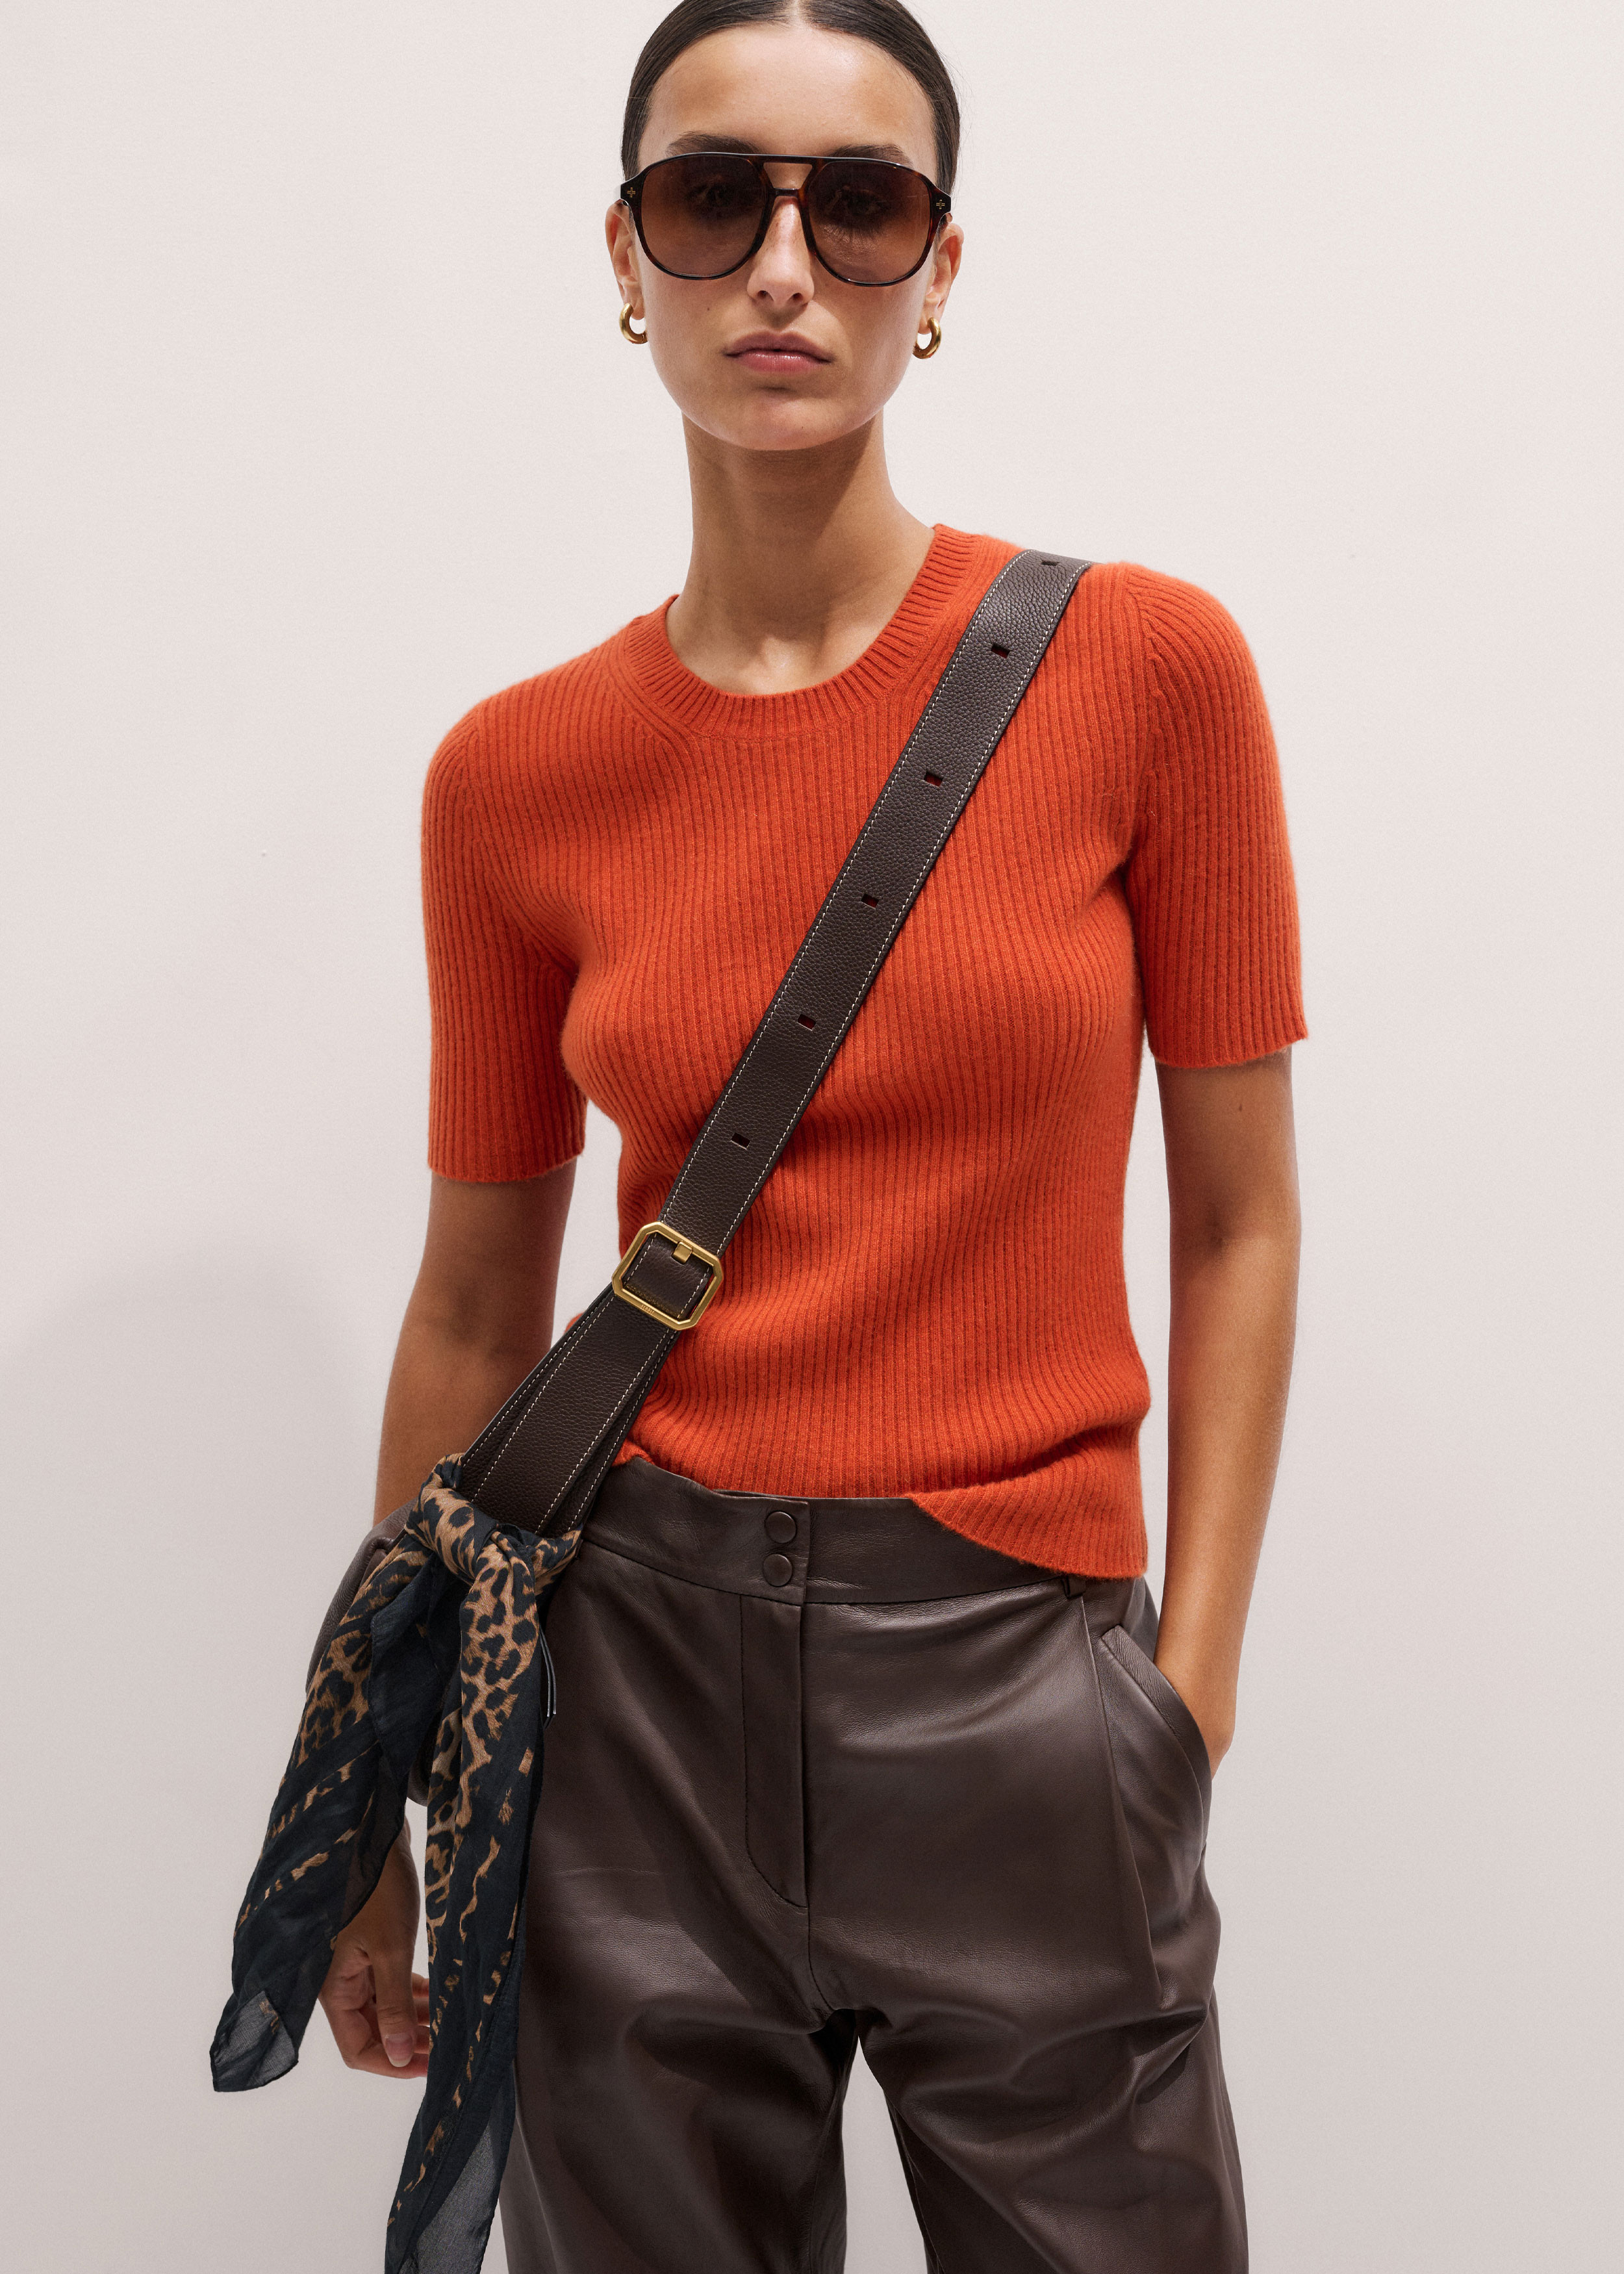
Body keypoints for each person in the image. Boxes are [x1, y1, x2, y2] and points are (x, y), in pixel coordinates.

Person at [315, 3, 1306, 2267]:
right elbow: (474, 1307)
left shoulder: (1146, 672)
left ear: (936, 269)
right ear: (627, 255)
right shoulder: (511, 775)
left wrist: (1187, 1690)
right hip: (624, 1695)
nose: (782, 262)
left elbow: (1238, 1221)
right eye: (711, 197)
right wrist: (379, 1774)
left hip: (1018, 1664)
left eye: (856, 205)